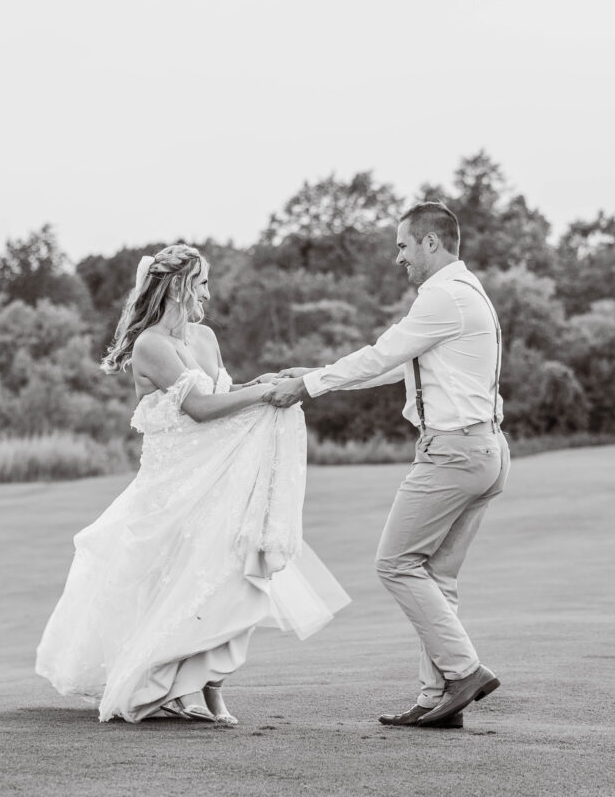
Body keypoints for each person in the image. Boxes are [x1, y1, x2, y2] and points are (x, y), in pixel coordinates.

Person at [36, 243, 349, 724]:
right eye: (202, 282)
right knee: (170, 583)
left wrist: (257, 384)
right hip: (170, 486)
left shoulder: (204, 336)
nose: (208, 290)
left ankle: (208, 688)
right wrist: (263, 393)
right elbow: (199, 409)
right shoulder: (150, 345)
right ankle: (169, 687)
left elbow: (222, 393)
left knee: (225, 579)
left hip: (215, 478)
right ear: (181, 287)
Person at [264, 202, 510, 729]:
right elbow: (396, 365)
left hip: (454, 451)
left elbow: (380, 354)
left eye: (402, 246)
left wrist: (306, 387)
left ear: (430, 244)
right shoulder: (466, 292)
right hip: (483, 450)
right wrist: (317, 372)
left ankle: (464, 670)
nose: (397, 257)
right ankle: (435, 698)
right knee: (437, 578)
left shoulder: (442, 295)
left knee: (394, 563)